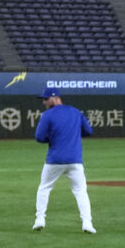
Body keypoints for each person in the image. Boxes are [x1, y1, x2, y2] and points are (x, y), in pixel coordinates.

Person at [32, 88, 96, 233]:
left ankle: (40, 219)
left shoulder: (48, 115)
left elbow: (39, 137)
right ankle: (87, 223)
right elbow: (89, 131)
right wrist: (72, 135)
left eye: (46, 99)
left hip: (54, 160)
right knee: (81, 191)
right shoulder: (76, 112)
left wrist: (53, 137)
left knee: (44, 188)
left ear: (54, 98)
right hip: (75, 160)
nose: (44, 102)